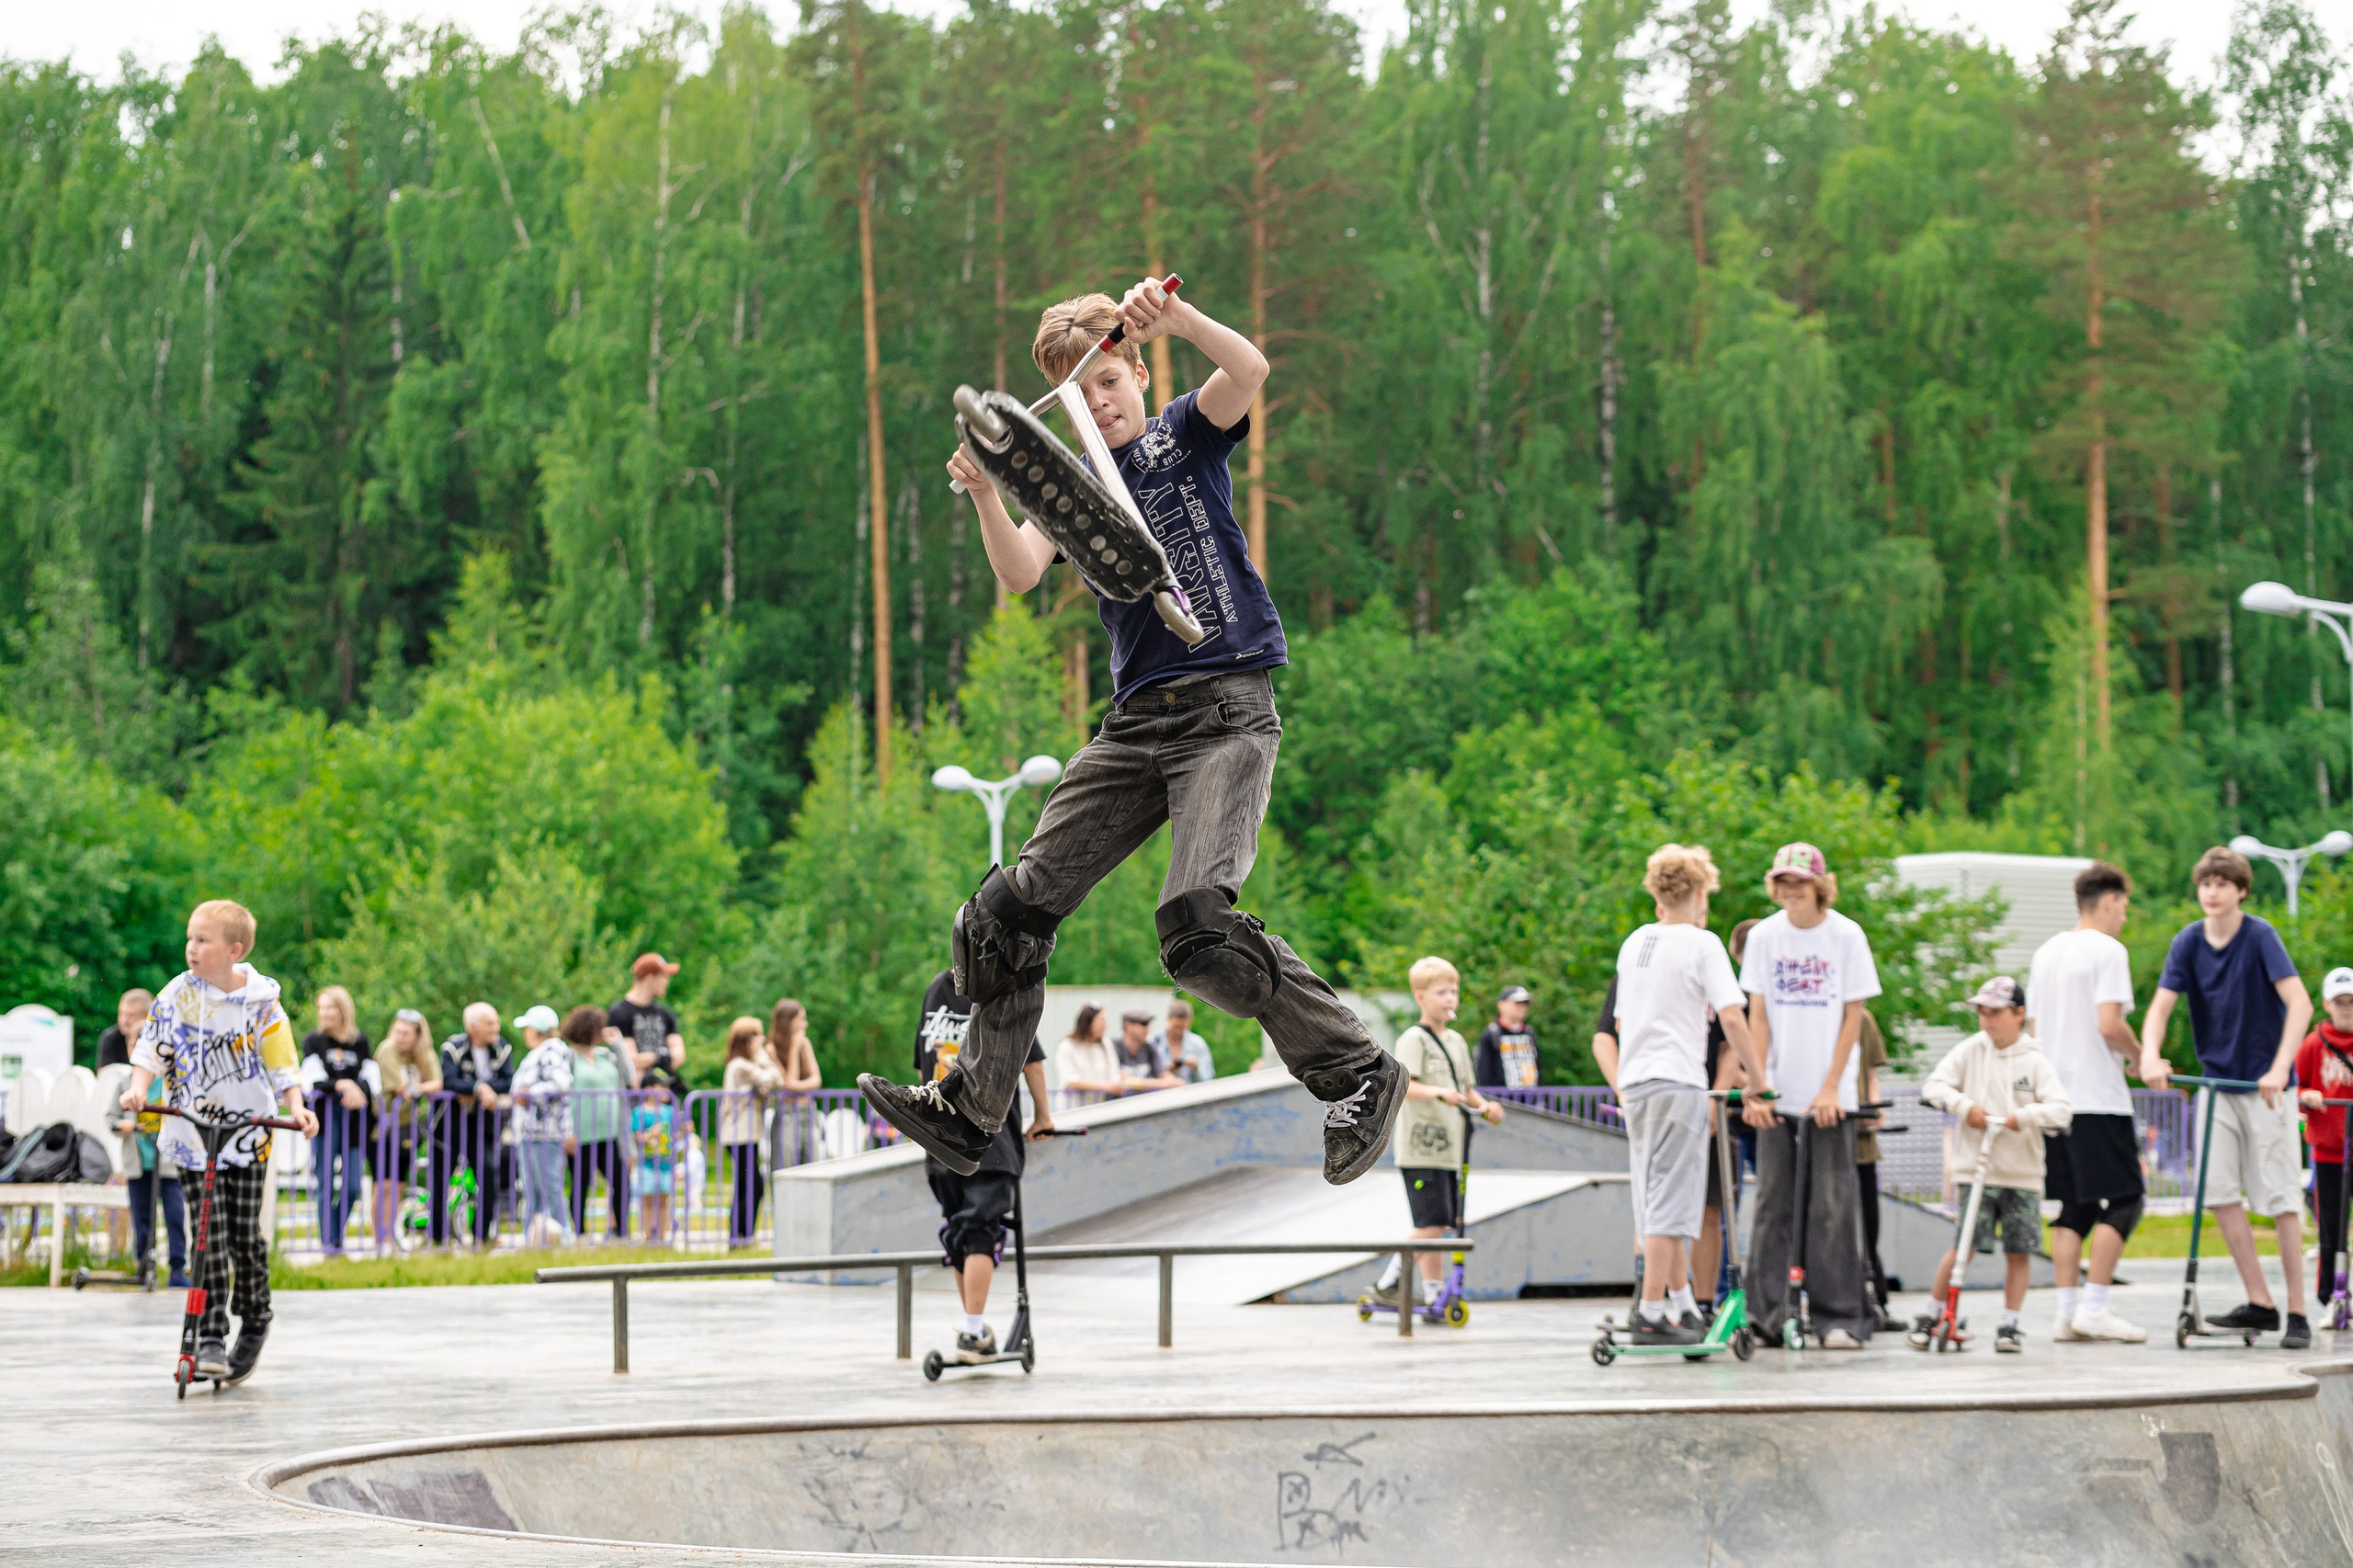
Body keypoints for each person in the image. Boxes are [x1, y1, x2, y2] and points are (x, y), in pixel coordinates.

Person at [867, 278, 1401, 1185]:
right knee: (1005, 913)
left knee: (1196, 927)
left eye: (1109, 382)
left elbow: (1251, 367)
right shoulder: (1069, 488)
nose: (1100, 404)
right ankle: (970, 1106)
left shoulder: (1184, 432)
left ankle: (1356, 1070)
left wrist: (1180, 318)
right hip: (1132, 725)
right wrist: (987, 491)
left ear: (1138, 372)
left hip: (1225, 710)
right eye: (1079, 397)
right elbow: (1020, 574)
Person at [116, 899, 317, 1383]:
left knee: (244, 1236)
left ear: (234, 949)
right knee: (210, 1234)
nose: (191, 948)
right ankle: (209, 1334)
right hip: (192, 1132)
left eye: (203, 940)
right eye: (190, 937)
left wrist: (295, 1104)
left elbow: (280, 1054)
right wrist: (140, 1089)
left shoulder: (261, 1000)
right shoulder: (177, 996)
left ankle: (256, 1316)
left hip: (247, 1133)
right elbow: (152, 1046)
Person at [2141, 845, 2314, 1349]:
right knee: (2216, 1192)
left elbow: (2299, 1003)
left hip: (2266, 1087)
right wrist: (2151, 1055)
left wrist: (2281, 1068)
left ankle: (2298, 1312)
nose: (2212, 892)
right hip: (2218, 1085)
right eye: (2205, 884)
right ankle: (2260, 1302)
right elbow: (2159, 1010)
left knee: (2282, 1196)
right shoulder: (2188, 942)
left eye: (2222, 884)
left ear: (2240, 890)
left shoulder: (2259, 936)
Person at [1593, 846, 1768, 1345]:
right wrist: (1756, 1079)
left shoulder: (1635, 943)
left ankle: (1683, 1305)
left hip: (1638, 1081)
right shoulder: (1702, 943)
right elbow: (1732, 1015)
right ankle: (1650, 1312)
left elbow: (1623, 1023)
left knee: (1652, 1196)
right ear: (1697, 893)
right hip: (1679, 1080)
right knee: (1673, 1204)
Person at [1739, 841, 1882, 1348]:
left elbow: (1853, 1018)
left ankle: (1839, 1316)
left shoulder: (1845, 935)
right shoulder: (1764, 938)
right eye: (1782, 882)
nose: (1789, 891)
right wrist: (1758, 1088)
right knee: (1772, 1203)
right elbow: (1758, 1016)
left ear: (1820, 885)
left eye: (1799, 882)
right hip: (1778, 1092)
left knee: (1833, 1204)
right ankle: (1766, 1317)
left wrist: (1830, 1087)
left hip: (1830, 1096)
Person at [2027, 859, 2150, 1344]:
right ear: (2109, 901)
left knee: (2072, 1206)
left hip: (2055, 1097)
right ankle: (2095, 1305)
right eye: (2124, 906)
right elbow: (2109, 1025)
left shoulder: (2046, 953)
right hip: (2098, 1097)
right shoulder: (2107, 951)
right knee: (2126, 1199)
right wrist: (2141, 1058)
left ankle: (2066, 1312)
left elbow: (2035, 1032)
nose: (2124, 917)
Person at [1915, 977, 2073, 1352]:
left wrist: (2027, 1115)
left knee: (2020, 1250)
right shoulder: (1971, 1051)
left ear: (2019, 1014)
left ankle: (2010, 1323)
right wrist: (1964, 1107)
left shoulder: (2035, 1061)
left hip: (2022, 1174)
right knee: (1964, 1245)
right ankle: (1933, 1311)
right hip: (1977, 1169)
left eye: (1996, 1013)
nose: (1987, 1021)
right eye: (1982, 1012)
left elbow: (2061, 1110)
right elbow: (1935, 1086)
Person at [914, 967, 1056, 1362]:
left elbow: (922, 1063)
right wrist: (1043, 1117)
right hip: (988, 1136)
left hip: (938, 1135)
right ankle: (973, 1333)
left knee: (959, 1231)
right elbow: (1032, 1061)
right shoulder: (1005, 987)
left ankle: (972, 1328)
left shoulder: (937, 989)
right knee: (980, 1232)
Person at [1377, 956, 1504, 1307]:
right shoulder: (1413, 1040)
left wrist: (1485, 1107)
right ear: (1420, 997)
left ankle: (1433, 1292)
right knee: (1433, 1222)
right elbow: (1404, 1087)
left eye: (1454, 992)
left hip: (1451, 1148)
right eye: (1441, 992)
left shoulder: (1457, 1042)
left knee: (1443, 1224)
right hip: (1421, 1147)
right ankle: (1389, 1280)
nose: (1450, 999)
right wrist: (1437, 1093)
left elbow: (1466, 1089)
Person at [301, 986, 379, 1256]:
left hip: (355, 1121)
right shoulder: (313, 1041)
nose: (323, 1013)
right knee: (325, 1181)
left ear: (343, 1010)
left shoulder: (359, 1041)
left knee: (354, 1184)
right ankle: (329, 1243)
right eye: (320, 1007)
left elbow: (372, 1079)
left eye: (329, 1007)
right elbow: (311, 1080)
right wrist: (343, 1084)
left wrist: (358, 1090)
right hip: (324, 1120)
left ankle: (336, 1234)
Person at [433, 1003, 515, 1246]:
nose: (496, 1028)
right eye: (490, 1023)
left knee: (489, 1174)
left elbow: (507, 1081)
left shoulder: (503, 1048)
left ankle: (481, 1236)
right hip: (449, 1126)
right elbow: (449, 1081)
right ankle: (438, 1239)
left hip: (483, 1127)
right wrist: (480, 1087)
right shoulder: (452, 1047)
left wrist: (477, 1090)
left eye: (496, 1022)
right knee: (440, 1181)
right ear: (472, 1027)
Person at [2297, 969, 2353, 1312]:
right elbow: (2295, 1084)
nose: (2346, 1008)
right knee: (2331, 1229)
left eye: (2351, 1002)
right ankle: (2331, 1294)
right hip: (2330, 1153)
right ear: (2326, 1004)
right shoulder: (2314, 1043)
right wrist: (2309, 1095)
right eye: (2339, 1002)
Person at [370, 1009, 440, 1253]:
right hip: (383, 1126)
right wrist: (418, 1088)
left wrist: (418, 1087)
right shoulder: (387, 1049)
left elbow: (437, 1083)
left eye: (406, 1033)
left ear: (417, 1036)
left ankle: (390, 1235)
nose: (400, 1037)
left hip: (407, 1126)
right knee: (383, 1184)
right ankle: (380, 1238)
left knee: (398, 1184)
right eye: (397, 1031)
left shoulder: (424, 1053)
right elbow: (401, 1088)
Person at [559, 1005, 630, 1240]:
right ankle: (579, 1233)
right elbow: (564, 1095)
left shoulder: (605, 1055)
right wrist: (567, 1131)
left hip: (609, 1133)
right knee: (580, 1185)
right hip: (580, 1134)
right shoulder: (568, 1057)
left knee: (621, 1182)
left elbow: (629, 1077)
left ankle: (621, 1231)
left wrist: (618, 1046)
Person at [110, 1069, 187, 1289]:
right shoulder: (124, 1083)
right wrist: (121, 1126)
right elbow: (111, 1118)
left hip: (168, 1162)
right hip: (138, 1162)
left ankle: (177, 1270)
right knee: (142, 1218)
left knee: (175, 1215)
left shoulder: (173, 1082)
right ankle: (144, 1267)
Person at [508, 1009, 578, 1246]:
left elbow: (561, 1084)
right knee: (534, 1190)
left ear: (536, 1030)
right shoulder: (543, 1052)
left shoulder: (551, 1051)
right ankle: (534, 1240)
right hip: (532, 1132)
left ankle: (564, 1237)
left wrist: (530, 1094)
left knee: (548, 1188)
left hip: (543, 1133)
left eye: (527, 1028)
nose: (525, 1033)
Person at [722, 1017, 785, 1244]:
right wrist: (761, 1054)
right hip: (739, 1136)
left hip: (746, 1134)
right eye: (757, 1035)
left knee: (748, 1186)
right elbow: (776, 1077)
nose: (762, 1039)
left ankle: (742, 1236)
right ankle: (740, 1237)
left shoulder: (743, 1067)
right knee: (751, 1186)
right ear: (747, 1040)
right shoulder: (740, 1066)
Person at [608, 953, 687, 1093]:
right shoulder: (619, 1012)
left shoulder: (665, 1014)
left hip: (663, 1094)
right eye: (663, 977)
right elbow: (630, 1060)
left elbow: (679, 1056)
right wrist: (661, 1058)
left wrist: (652, 1059)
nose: (667, 982)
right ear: (650, 978)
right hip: (635, 1094)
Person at [767, 998, 824, 1164]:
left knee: (813, 1163)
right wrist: (793, 1049)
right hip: (787, 1113)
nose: (805, 1025)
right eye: (801, 1019)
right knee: (787, 1163)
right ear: (788, 1021)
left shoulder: (806, 1044)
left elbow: (816, 1080)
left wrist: (796, 1087)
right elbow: (789, 1082)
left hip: (809, 1112)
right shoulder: (772, 1049)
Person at [631, 1082, 677, 1245]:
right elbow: (638, 1137)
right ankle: (648, 1234)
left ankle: (663, 1235)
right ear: (649, 1090)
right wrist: (651, 1134)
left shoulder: (669, 1112)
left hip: (666, 1163)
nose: (666, 1091)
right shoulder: (640, 1111)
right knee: (648, 1200)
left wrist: (684, 1131)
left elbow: (674, 1135)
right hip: (647, 1163)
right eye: (661, 1087)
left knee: (664, 1200)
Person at [1053, 1005, 1128, 1101]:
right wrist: (1105, 1086)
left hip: (1099, 1107)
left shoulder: (1105, 1045)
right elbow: (1070, 1082)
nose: (1105, 1025)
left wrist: (1116, 1085)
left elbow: (1114, 1074)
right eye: (1101, 1020)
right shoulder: (1067, 1046)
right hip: (1073, 1107)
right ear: (1088, 1022)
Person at [1474, 985, 1540, 1089]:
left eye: (1525, 1003)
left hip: (1530, 1101)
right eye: (1517, 1003)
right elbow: (1483, 1072)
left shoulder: (1529, 1033)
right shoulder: (1491, 1034)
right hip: (1502, 1102)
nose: (1522, 1007)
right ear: (1501, 1005)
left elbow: (1538, 1067)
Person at [1114, 1009, 1181, 1089]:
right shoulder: (1114, 1047)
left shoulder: (1149, 1047)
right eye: (1143, 1024)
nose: (1147, 1029)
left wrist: (1173, 1081)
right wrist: (1161, 1083)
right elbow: (1124, 1081)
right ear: (1128, 1026)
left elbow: (1163, 1074)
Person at [1154, 999, 1216, 1085]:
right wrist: (1162, 1070)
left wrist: (1196, 1068)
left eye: (1182, 1028)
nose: (1178, 1031)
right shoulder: (1154, 1042)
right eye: (1175, 1027)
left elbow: (1209, 1079)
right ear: (1167, 1019)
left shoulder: (1198, 1044)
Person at [95, 987, 153, 1072]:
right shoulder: (110, 1038)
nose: (124, 1020)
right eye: (121, 1014)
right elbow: (105, 1077)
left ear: (146, 1016)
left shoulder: (156, 1038)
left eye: (131, 1015)